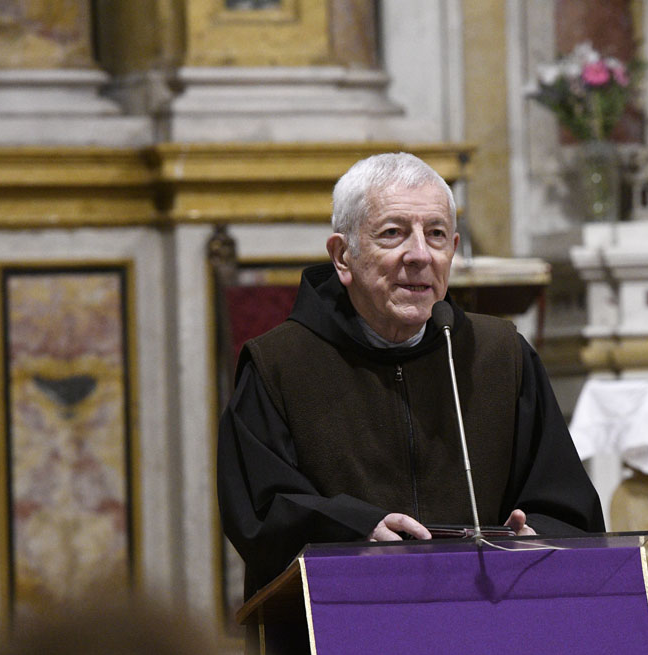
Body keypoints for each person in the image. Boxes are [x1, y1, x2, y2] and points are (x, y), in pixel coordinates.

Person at [217, 151, 605, 603]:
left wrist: (534, 536)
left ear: (453, 250)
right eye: (393, 233)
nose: (419, 255)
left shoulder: (501, 355)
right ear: (343, 256)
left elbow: (566, 504)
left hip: (489, 623)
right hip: (343, 624)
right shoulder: (278, 364)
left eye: (436, 235)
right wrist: (357, 529)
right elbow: (261, 512)